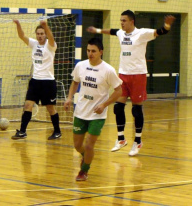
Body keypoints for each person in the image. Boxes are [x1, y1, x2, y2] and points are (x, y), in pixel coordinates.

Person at [87, 10, 175, 156]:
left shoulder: (142, 33)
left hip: (138, 75)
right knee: (118, 107)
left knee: (136, 109)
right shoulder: (121, 33)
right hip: (123, 74)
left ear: (131, 21)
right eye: (120, 20)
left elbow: (161, 31)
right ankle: (121, 138)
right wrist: (96, 30)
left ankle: (138, 141)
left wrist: (167, 25)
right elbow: (112, 31)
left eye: (124, 20)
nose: (121, 23)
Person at [64, 38, 123, 181]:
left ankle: (84, 171)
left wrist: (104, 104)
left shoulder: (108, 70)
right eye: (88, 51)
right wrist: (69, 98)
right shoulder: (81, 66)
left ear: (101, 52)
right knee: (78, 146)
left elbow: (118, 91)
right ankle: (86, 157)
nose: (90, 54)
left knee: (89, 144)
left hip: (97, 114)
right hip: (80, 112)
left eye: (93, 51)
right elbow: (75, 82)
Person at [11, 19, 62, 140]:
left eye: (42, 33)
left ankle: (57, 131)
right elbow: (22, 36)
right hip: (35, 81)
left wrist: (46, 26)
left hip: (48, 82)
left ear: (45, 35)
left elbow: (52, 37)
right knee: (28, 105)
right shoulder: (34, 44)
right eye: (38, 33)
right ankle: (22, 131)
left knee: (50, 108)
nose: (40, 36)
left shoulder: (51, 45)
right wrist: (18, 24)